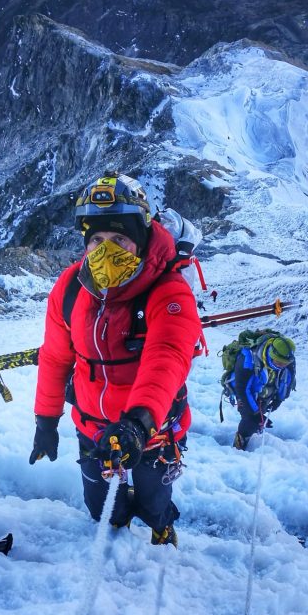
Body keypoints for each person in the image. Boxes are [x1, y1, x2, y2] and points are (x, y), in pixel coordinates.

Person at [29, 172, 202, 546]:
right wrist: (45, 420)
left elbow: (167, 357)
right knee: (103, 509)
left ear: (139, 239)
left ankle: (161, 528)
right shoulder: (71, 289)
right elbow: (56, 358)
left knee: (155, 501)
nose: (106, 250)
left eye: (119, 239)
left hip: (151, 431)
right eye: (97, 240)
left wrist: (137, 424)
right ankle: (117, 537)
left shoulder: (168, 290)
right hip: (92, 429)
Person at [227, 332, 296, 449]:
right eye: (278, 363)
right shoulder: (248, 359)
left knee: (258, 419)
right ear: (271, 354)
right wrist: (255, 414)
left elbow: (288, 380)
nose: (282, 366)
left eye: (284, 364)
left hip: (265, 392)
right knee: (250, 419)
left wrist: (279, 400)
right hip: (244, 392)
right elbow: (242, 389)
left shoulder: (287, 358)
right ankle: (239, 444)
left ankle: (254, 435)